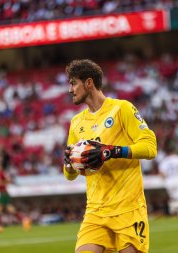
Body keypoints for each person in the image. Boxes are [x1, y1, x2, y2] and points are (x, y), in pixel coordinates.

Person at [63, 59, 157, 253]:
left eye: (73, 83)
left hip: (128, 210)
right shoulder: (76, 122)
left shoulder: (122, 109)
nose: (70, 89)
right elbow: (70, 176)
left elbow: (150, 147)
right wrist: (69, 164)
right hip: (96, 212)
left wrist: (112, 151)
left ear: (88, 83)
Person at [158, 142, 178, 225]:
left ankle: (176, 210)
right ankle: (174, 209)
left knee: (175, 199)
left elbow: (162, 174)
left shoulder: (164, 161)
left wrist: (166, 181)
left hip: (169, 182)